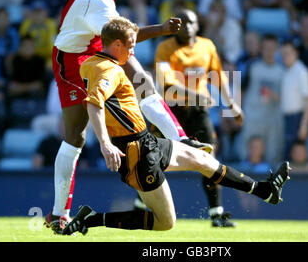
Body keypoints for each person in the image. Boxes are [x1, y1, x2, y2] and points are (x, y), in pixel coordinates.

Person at [61, 16, 291, 235]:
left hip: (145, 142)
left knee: (203, 160)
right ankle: (91, 218)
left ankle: (265, 190)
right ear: (117, 44)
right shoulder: (109, 70)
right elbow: (94, 103)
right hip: (136, 155)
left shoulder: (90, 63)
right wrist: (104, 144)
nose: (133, 50)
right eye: (131, 44)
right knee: (165, 223)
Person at [45, 0, 211, 234]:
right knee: (76, 136)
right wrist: (162, 29)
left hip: (96, 45)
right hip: (71, 60)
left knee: (140, 78)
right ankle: (59, 213)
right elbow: (125, 38)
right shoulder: (98, 4)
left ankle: (180, 137)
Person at [154, 9, 244, 227]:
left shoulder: (207, 46)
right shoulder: (165, 48)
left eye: (190, 22)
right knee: (155, 158)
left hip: (198, 111)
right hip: (172, 110)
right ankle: (142, 205)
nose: (186, 26)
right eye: (181, 22)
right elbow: (167, 85)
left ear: (197, 25)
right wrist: (196, 94)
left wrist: (231, 104)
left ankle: (216, 213)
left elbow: (218, 76)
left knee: (209, 156)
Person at [240, 34, 284, 168]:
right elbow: (241, 90)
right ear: (261, 49)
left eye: (273, 48)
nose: (269, 51)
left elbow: (286, 98)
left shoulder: (283, 71)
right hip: (253, 117)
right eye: (266, 48)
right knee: (248, 154)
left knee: (273, 154)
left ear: (277, 50)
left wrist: (274, 95)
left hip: (273, 120)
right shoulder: (252, 67)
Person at [280, 42, 308, 160]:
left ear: (296, 54)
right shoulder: (288, 71)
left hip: (297, 119)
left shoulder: (301, 72)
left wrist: (304, 125)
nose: (285, 56)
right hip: (288, 119)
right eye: (283, 54)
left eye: (288, 53)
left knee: (295, 157)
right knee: (288, 155)